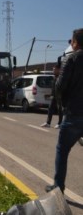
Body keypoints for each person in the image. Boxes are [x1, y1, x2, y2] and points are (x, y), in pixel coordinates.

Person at [45, 28, 83, 194]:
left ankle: (58, 186)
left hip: (74, 113)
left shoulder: (71, 59)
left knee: (62, 150)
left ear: (75, 43)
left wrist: (62, 104)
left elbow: (59, 86)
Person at [40, 64, 63, 128]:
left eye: (54, 69)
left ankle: (60, 123)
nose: (53, 71)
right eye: (53, 69)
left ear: (59, 70)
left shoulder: (61, 77)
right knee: (50, 108)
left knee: (60, 110)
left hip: (59, 96)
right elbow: (54, 87)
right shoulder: (54, 77)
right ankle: (48, 123)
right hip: (54, 95)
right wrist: (52, 94)